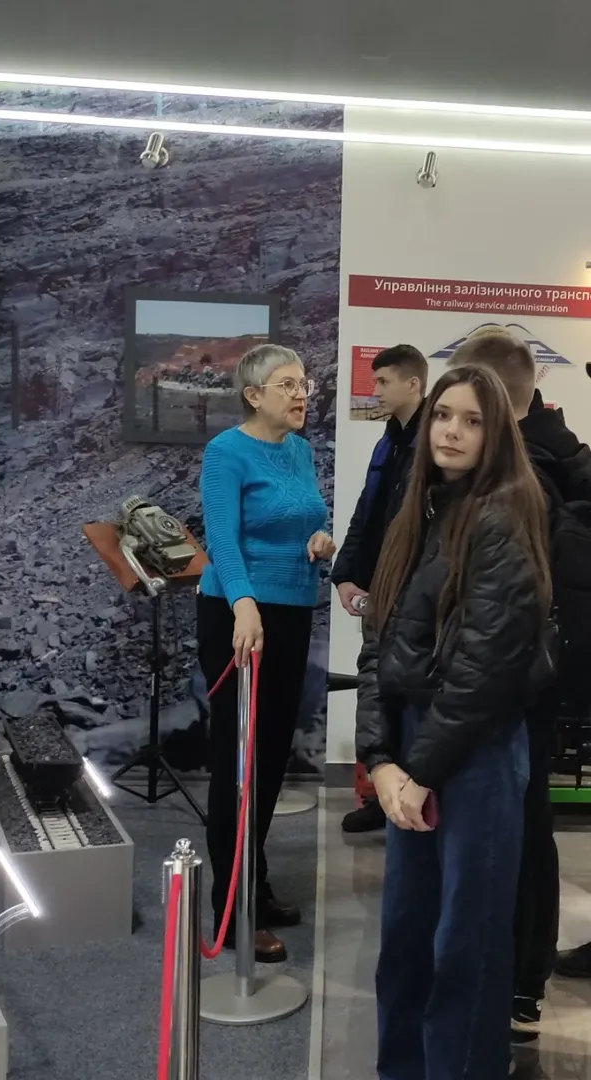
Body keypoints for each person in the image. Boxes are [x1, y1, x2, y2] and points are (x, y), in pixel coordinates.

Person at [357, 363, 551, 1080]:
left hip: (475, 755)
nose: (452, 431)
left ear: (496, 432)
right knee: (407, 940)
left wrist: (416, 772)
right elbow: (377, 645)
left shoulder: (503, 517)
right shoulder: (418, 513)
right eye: (444, 415)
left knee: (465, 948)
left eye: (472, 420)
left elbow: (485, 670)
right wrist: (380, 759)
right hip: (414, 752)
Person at [446, 328, 591, 1036]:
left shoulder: (524, 476)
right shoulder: (571, 458)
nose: (452, 428)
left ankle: (508, 981)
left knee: (512, 825)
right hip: (540, 678)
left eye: (466, 413)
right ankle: (520, 978)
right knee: (528, 822)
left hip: (508, 679)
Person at [198, 343, 336, 963]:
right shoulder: (225, 452)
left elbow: (299, 519)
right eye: (288, 385)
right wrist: (244, 603)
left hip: (291, 610)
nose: (301, 394)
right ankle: (231, 910)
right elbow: (223, 541)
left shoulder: (299, 450)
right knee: (239, 762)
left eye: (304, 384)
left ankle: (253, 879)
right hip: (239, 617)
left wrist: (318, 539)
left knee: (273, 756)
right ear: (253, 395)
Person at [332, 344, 428, 834]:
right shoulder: (387, 443)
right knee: (376, 688)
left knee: (403, 690)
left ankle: (407, 796)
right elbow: (365, 513)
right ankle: (378, 791)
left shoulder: (432, 446)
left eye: (384, 382)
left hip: (414, 595)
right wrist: (345, 574)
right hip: (380, 589)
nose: (375, 391)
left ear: (413, 384)